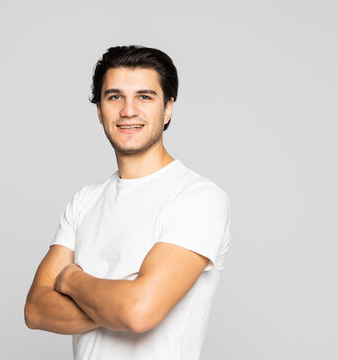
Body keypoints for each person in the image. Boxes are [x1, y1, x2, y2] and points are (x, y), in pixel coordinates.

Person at [24, 45, 231, 360]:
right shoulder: (85, 201)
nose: (128, 110)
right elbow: (36, 309)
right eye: (114, 97)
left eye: (145, 97)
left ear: (168, 109)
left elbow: (138, 312)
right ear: (99, 110)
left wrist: (71, 278)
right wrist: (118, 305)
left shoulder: (197, 197)